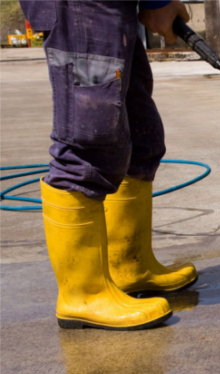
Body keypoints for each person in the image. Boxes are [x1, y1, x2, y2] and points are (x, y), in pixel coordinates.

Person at [19, 0, 198, 330]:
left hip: (109, 6)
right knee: (90, 141)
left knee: (141, 135)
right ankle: (83, 294)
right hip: (81, 7)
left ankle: (128, 266)